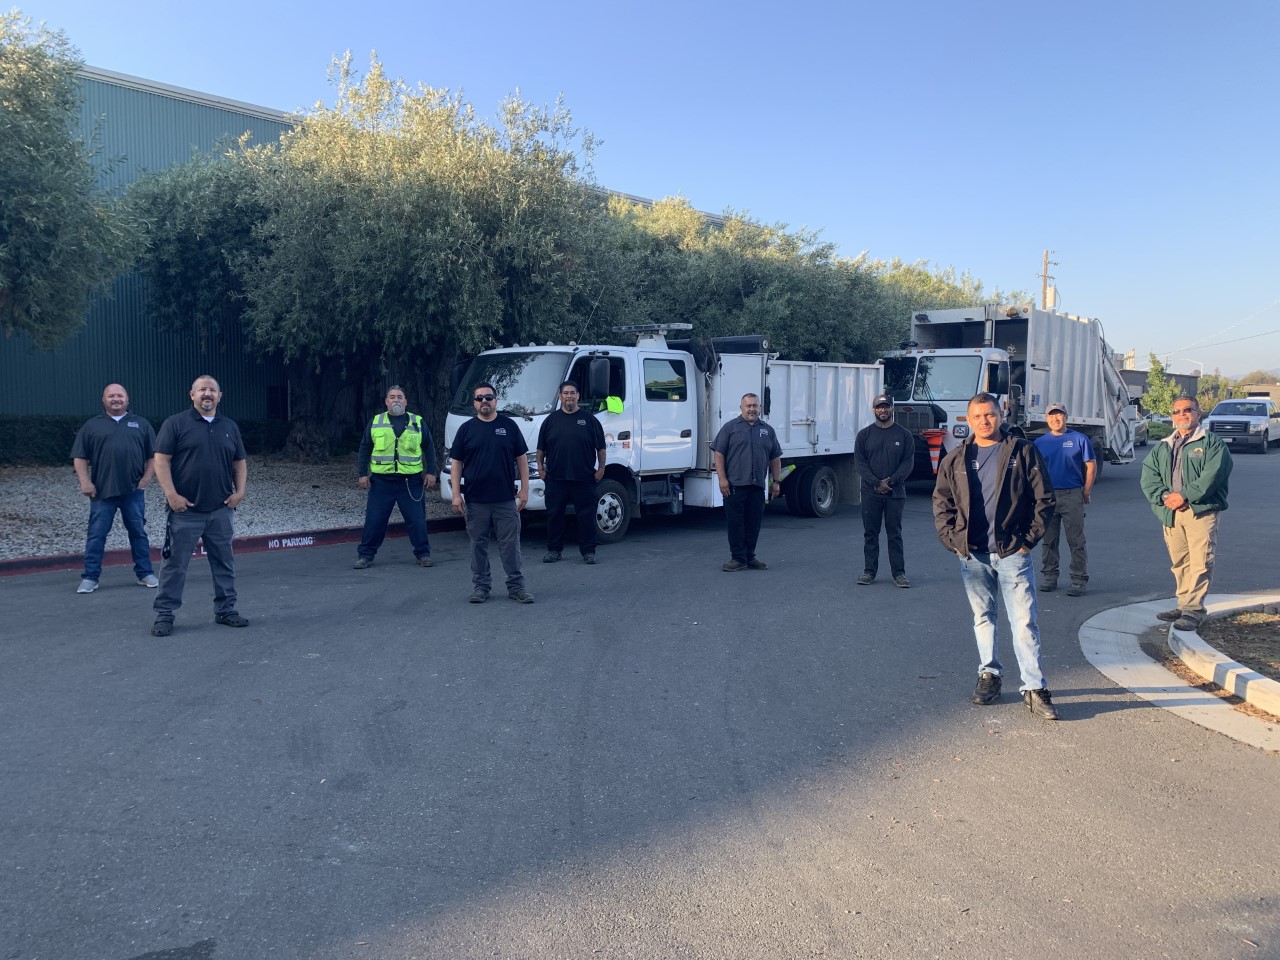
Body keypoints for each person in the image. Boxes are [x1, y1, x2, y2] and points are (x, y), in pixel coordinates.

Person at [933, 393, 1059, 720]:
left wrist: (1027, 541)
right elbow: (941, 502)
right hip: (972, 555)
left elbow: (1044, 499)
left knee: (1024, 621)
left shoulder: (1022, 452)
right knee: (983, 618)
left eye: (989, 415)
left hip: (1012, 552)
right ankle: (989, 674)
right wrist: (952, 540)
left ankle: (1034, 687)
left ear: (1000, 414)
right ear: (968, 419)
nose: (984, 421)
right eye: (977, 417)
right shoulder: (956, 458)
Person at [149, 375, 249, 637]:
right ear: (191, 394)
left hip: (220, 510)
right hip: (185, 512)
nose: (207, 394)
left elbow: (239, 462)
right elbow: (161, 461)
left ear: (220, 395)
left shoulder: (229, 426)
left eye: (212, 390)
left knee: (224, 562)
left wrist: (240, 492)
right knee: (175, 566)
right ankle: (165, 614)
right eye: (202, 390)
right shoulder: (175, 424)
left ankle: (226, 610)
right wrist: (171, 495)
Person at [1140, 396, 1232, 632]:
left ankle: (1194, 611)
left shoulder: (1212, 444)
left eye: (1187, 410)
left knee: (1200, 562)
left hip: (1199, 511)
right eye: (1176, 411)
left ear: (1198, 413)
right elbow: (1149, 476)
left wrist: (1184, 496)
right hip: (1171, 512)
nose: (1182, 414)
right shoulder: (1163, 445)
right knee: (1180, 562)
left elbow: (1213, 476)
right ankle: (1183, 606)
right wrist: (1163, 497)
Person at [450, 382, 533, 604]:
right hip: (476, 500)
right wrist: (456, 494)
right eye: (479, 398)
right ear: (474, 403)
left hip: (505, 499)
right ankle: (481, 587)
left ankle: (516, 587)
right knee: (478, 545)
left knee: (510, 546)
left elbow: (522, 459)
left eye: (488, 397)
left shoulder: (509, 426)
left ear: (496, 400)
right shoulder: (466, 429)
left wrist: (525, 489)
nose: (484, 401)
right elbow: (456, 463)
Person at [71, 383, 158, 593]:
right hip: (102, 492)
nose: (116, 399)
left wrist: (146, 478)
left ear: (127, 399)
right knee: (96, 535)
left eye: (120, 395)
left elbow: (153, 456)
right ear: (104, 400)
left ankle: (145, 573)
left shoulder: (141, 424)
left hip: (133, 492)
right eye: (111, 396)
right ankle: (90, 577)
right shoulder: (92, 426)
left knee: (138, 533)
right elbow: (79, 457)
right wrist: (85, 481)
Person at [353, 385, 437, 569]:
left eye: (400, 397)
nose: (396, 400)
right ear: (386, 401)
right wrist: (362, 474)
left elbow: (429, 448)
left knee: (416, 519)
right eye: (392, 397)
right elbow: (365, 448)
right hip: (382, 482)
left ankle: (423, 554)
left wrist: (431, 472)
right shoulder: (376, 421)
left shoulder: (418, 422)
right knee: (374, 520)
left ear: (406, 402)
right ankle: (365, 555)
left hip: (411, 482)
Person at [536, 381, 607, 565]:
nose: (569, 396)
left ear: (578, 396)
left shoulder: (590, 420)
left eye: (572, 393)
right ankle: (554, 550)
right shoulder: (550, 421)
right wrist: (541, 469)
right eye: (565, 393)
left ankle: (588, 552)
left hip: (584, 478)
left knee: (586, 516)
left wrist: (601, 469)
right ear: (560, 396)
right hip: (556, 478)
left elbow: (601, 448)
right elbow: (540, 449)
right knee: (554, 516)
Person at [712, 393, 783, 571]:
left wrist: (776, 481)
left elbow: (775, 457)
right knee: (735, 523)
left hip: (757, 486)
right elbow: (719, 454)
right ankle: (737, 558)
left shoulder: (767, 430)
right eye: (748, 406)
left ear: (759, 408)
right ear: (741, 408)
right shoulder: (730, 428)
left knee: (754, 523)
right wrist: (722, 479)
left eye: (755, 406)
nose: (752, 409)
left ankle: (750, 557)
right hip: (734, 485)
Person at [1033, 403, 1096, 596]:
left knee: (1075, 540)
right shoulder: (1040, 443)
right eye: (1051, 416)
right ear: (1047, 419)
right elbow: (1034, 472)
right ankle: (1050, 576)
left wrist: (1086, 490)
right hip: (1047, 497)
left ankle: (1078, 579)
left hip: (1072, 494)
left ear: (1066, 417)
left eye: (1059, 415)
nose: (1055, 419)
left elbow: (1090, 465)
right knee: (1048, 540)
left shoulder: (1079, 439)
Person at [853, 393, 915, 587]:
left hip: (895, 493)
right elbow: (860, 464)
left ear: (892, 409)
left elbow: (908, 463)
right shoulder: (864, 435)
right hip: (870, 492)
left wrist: (892, 481)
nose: (883, 410)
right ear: (874, 410)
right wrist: (875, 482)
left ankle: (899, 574)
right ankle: (869, 572)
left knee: (894, 533)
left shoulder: (904, 435)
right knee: (870, 533)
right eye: (879, 407)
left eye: (886, 406)